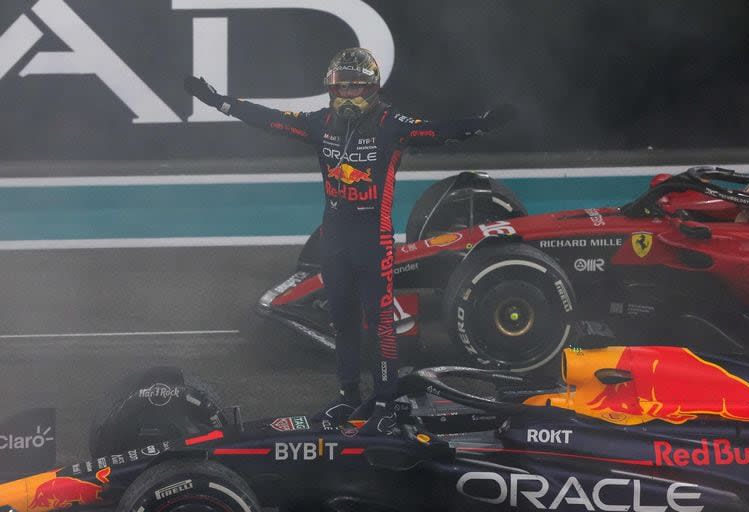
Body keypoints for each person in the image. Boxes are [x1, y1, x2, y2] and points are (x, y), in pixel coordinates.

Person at [185, 47, 515, 434]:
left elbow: (439, 131)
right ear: (330, 90)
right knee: (342, 322)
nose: (346, 96)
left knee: (380, 324)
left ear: (372, 88)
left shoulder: (391, 123)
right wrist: (220, 103)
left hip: (372, 240)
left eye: (355, 88)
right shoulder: (319, 122)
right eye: (340, 88)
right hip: (334, 239)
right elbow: (270, 120)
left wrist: (482, 124)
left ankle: (387, 400)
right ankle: (348, 395)